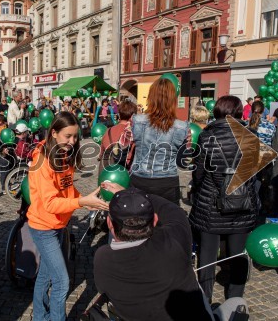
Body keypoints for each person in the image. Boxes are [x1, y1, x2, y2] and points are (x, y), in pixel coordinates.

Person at [27, 111, 109, 321]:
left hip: (58, 226)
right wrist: (82, 202)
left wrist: (86, 199)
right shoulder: (42, 161)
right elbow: (50, 203)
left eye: (75, 136)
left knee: (45, 277)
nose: (72, 141)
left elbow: (67, 190)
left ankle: (40, 318)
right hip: (43, 227)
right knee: (62, 281)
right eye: (68, 136)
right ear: (54, 133)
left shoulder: (64, 154)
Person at [94, 187, 213, 320]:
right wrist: (141, 197)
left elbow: (103, 289)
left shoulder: (102, 258)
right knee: (235, 303)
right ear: (155, 220)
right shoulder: (173, 239)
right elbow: (174, 212)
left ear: (109, 223)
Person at [188, 95, 260, 303]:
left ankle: (205, 301)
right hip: (243, 205)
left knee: (208, 257)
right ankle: (235, 302)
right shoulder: (251, 136)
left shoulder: (206, 136)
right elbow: (256, 175)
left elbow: (199, 173)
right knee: (238, 257)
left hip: (211, 205)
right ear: (239, 112)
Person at [130, 78, 189, 205]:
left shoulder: (137, 120)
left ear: (151, 97)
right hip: (167, 180)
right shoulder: (182, 126)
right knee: (167, 221)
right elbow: (182, 161)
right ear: (173, 100)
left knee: (138, 221)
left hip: (140, 177)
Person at [99, 100, 137, 170]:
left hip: (109, 170)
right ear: (133, 116)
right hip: (127, 171)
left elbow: (101, 154)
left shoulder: (108, 131)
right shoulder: (134, 132)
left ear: (119, 114)